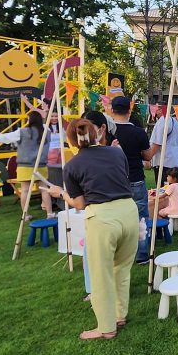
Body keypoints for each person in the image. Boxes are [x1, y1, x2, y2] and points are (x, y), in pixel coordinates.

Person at [46, 117, 138, 340]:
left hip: (102, 218)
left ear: (71, 141)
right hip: (129, 211)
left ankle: (106, 327)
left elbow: (79, 203)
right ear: (97, 133)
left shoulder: (72, 165)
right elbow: (121, 178)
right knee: (122, 269)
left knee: (100, 274)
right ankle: (119, 315)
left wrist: (61, 194)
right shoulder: (116, 153)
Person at [0, 110, 53, 217]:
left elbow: (5, 138)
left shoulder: (22, 132)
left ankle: (25, 215)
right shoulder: (47, 132)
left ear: (30, 120)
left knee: (25, 190)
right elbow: (45, 125)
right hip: (41, 165)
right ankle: (49, 213)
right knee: (44, 190)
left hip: (25, 165)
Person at [109, 95, 154, 264]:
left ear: (112, 111)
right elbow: (147, 156)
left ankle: (119, 254)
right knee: (141, 218)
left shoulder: (107, 132)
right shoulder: (138, 132)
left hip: (115, 181)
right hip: (135, 178)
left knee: (116, 218)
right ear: (129, 111)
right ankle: (142, 254)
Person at [149, 111, 178, 185]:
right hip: (174, 161)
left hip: (165, 162)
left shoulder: (163, 121)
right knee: (174, 187)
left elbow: (157, 142)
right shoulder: (174, 121)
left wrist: (148, 157)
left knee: (165, 189)